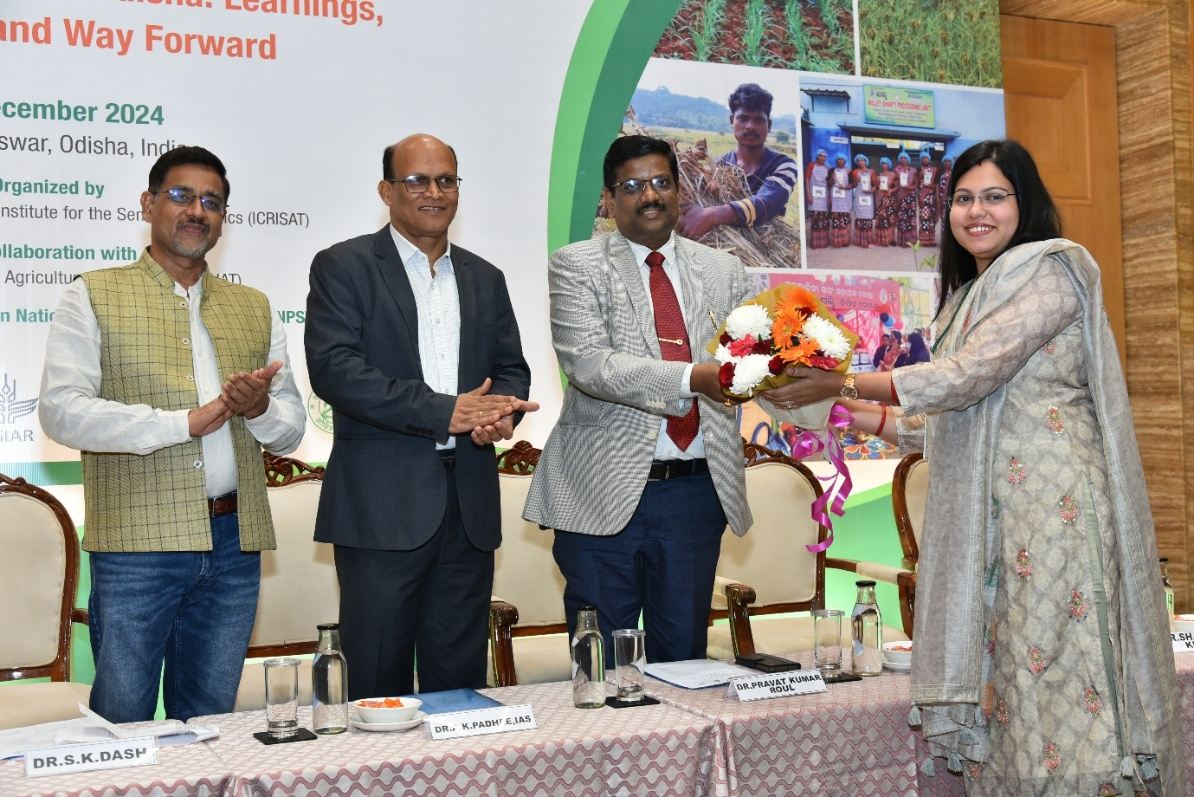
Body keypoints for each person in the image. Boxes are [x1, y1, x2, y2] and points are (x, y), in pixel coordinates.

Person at [761, 139, 1183, 794]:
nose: (976, 212)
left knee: (1059, 676)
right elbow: (942, 426)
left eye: (994, 196)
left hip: (1052, 514)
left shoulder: (1054, 269)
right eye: (963, 198)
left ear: (1026, 204)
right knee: (1006, 676)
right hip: (989, 524)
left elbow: (966, 376)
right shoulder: (963, 302)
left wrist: (839, 379)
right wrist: (832, 401)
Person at [39, 146, 306, 723]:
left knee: (211, 724)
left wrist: (257, 409)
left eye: (212, 202)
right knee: (124, 722)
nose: (197, 211)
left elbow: (289, 432)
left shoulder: (254, 307)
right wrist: (179, 425)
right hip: (137, 547)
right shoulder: (92, 292)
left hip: (235, 541)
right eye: (182, 196)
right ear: (149, 203)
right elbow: (61, 411)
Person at [305, 134, 536, 699]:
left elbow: (512, 369)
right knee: (377, 682)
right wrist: (444, 412)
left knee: (459, 686)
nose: (433, 192)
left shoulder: (487, 277)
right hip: (381, 508)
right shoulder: (344, 265)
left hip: (471, 508)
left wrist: (498, 415)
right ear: (387, 191)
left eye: (446, 180)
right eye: (416, 181)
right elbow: (335, 371)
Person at [524, 135, 753, 663]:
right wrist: (693, 378)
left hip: (696, 497)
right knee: (601, 670)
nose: (648, 195)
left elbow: (751, 364)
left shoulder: (724, 271)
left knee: (685, 663)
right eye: (631, 186)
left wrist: (811, 380)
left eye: (660, 183)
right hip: (601, 497)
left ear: (678, 191)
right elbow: (590, 364)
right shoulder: (577, 264)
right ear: (607, 198)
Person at [676, 83, 799, 240]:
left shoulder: (783, 165)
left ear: (769, 124)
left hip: (764, 243)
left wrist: (712, 215)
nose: (750, 126)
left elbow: (767, 203)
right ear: (732, 121)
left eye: (758, 120)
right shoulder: (718, 166)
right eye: (743, 118)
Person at [850, 153, 877, 248]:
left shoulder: (871, 172)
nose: (861, 162)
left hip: (868, 196)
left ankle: (869, 240)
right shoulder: (855, 172)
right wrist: (856, 180)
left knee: (868, 217)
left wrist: (872, 190)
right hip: (859, 196)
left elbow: (875, 185)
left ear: (866, 161)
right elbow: (854, 184)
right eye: (859, 161)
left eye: (862, 160)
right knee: (860, 217)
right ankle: (859, 240)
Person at [805, 148, 830, 248]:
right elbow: (807, 179)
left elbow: (828, 184)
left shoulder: (827, 168)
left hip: (823, 196)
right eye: (821, 156)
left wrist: (829, 198)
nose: (823, 158)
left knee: (823, 220)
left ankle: (823, 242)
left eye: (824, 156)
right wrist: (808, 194)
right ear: (817, 156)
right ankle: (815, 243)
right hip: (814, 196)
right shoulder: (812, 165)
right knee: (815, 220)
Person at [893, 150, 918, 247]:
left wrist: (910, 188)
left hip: (910, 198)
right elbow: (894, 183)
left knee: (910, 218)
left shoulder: (913, 170)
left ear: (908, 160)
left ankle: (911, 241)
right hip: (900, 196)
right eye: (901, 158)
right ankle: (902, 241)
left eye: (905, 158)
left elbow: (916, 184)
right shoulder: (896, 170)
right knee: (902, 218)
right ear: (899, 160)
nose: (903, 160)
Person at [916, 149, 940, 246]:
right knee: (924, 217)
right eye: (923, 158)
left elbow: (937, 184)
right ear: (921, 160)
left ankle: (931, 240)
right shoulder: (919, 170)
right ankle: (923, 240)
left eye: (926, 158)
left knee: (932, 218)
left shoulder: (935, 170)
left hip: (932, 197)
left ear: (929, 159)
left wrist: (937, 197)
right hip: (923, 197)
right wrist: (919, 197)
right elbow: (917, 185)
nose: (925, 160)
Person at [829, 153, 852, 248]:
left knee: (845, 219)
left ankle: (845, 241)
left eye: (842, 159)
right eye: (838, 159)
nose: (840, 161)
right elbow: (828, 184)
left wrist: (845, 187)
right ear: (836, 161)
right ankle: (836, 241)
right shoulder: (831, 170)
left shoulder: (849, 171)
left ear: (845, 161)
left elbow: (853, 184)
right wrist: (833, 179)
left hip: (845, 198)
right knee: (836, 220)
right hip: (835, 198)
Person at [875, 156, 898, 247]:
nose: (884, 165)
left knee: (890, 219)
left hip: (889, 199)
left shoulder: (893, 175)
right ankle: (882, 239)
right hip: (881, 199)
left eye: (886, 163)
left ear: (888, 165)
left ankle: (891, 239)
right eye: (883, 163)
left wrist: (891, 191)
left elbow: (897, 187)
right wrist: (877, 196)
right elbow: (877, 188)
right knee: (881, 218)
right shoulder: (879, 176)